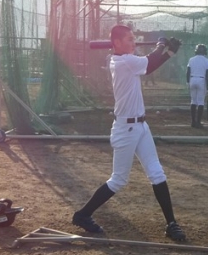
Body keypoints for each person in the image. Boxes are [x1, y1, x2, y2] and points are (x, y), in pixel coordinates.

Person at [72, 26, 186, 241]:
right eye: (129, 39)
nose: (133, 42)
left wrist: (168, 52)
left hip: (141, 126)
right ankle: (83, 215)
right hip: (126, 129)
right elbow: (150, 61)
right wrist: (161, 45)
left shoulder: (128, 61)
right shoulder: (122, 61)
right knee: (118, 180)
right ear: (116, 42)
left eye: (134, 39)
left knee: (157, 174)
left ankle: (171, 223)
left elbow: (149, 67)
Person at [186, 44, 208, 128]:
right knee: (200, 102)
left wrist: (187, 82)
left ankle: (193, 122)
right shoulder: (207, 61)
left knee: (193, 101)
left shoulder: (191, 59)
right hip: (201, 80)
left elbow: (188, 71)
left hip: (192, 79)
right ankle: (198, 122)